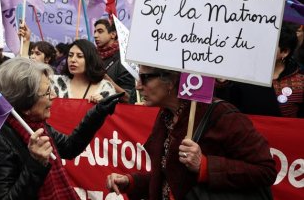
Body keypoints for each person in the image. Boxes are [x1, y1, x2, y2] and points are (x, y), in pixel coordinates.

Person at [106, 65, 276, 200]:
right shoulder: (166, 115)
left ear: (170, 82)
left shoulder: (221, 114)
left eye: (145, 78)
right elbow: (171, 179)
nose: (138, 86)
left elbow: (265, 170)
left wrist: (205, 166)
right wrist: (131, 182)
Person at [0, 58, 123, 200]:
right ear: (26, 103)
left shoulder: (36, 124)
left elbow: (70, 147)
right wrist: (36, 163)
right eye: (46, 92)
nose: (54, 95)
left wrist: (97, 113)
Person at [215, 23, 304, 117]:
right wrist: (222, 84)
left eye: (268, 45)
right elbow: (227, 110)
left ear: (284, 52)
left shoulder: (300, 80)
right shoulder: (243, 74)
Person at [51, 39, 116, 102]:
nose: (72, 60)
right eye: (70, 55)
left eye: (79, 56)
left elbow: (112, 111)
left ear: (90, 60)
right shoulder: (55, 83)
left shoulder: (105, 88)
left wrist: (102, 105)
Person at [94, 19, 135, 101]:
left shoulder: (124, 58)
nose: (95, 35)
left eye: (100, 31)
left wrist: (108, 81)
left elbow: (128, 97)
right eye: (94, 32)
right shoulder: (93, 57)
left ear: (113, 34)